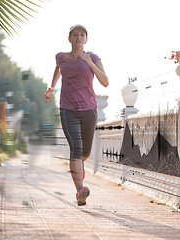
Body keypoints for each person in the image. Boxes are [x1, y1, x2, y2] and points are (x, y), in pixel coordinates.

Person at [44, 24, 108, 206]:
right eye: (75, 35)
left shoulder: (93, 57)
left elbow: (105, 81)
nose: (78, 38)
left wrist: (88, 62)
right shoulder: (61, 57)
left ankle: (80, 167)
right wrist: (52, 86)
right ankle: (80, 190)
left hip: (89, 110)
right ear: (69, 38)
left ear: (86, 40)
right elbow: (58, 68)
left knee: (85, 153)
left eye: (82, 35)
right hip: (67, 110)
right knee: (76, 149)